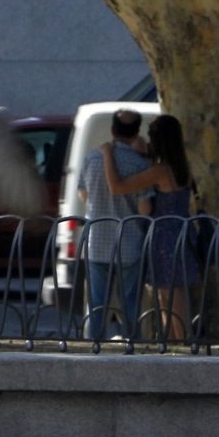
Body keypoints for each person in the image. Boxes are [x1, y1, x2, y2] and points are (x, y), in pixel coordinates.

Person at [103, 114, 200, 343]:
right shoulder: (181, 167)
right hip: (182, 233)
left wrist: (107, 154)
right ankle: (178, 343)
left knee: (169, 299)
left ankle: (184, 345)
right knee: (171, 297)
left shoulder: (159, 171)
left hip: (163, 237)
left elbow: (118, 187)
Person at [78, 109, 151, 341]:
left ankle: (94, 344)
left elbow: (83, 194)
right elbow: (144, 209)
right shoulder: (140, 164)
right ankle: (131, 344)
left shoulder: (92, 158)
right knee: (130, 301)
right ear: (137, 132)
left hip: (97, 241)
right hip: (129, 243)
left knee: (97, 302)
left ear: (112, 130)